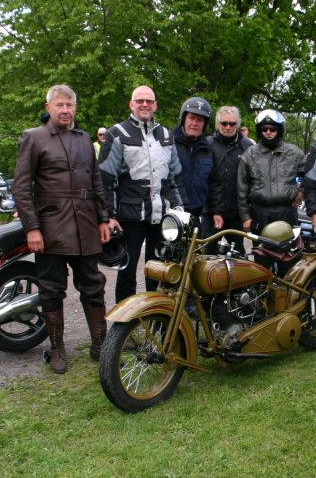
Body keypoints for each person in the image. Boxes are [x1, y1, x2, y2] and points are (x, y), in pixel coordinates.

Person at [13, 85, 111, 374]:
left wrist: (103, 218)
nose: (65, 110)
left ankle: (101, 344)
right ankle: (56, 348)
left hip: (86, 226)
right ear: (48, 107)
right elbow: (21, 187)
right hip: (51, 228)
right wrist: (32, 228)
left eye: (70, 105)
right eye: (60, 105)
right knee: (51, 291)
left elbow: (96, 182)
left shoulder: (84, 139)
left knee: (93, 286)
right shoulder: (34, 137)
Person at [98, 85, 184, 302]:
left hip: (160, 216)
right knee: (127, 272)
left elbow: (174, 178)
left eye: (149, 101)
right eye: (140, 101)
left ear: (155, 105)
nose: (144, 104)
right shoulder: (116, 133)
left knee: (159, 270)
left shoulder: (166, 135)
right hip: (130, 216)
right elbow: (105, 179)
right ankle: (123, 320)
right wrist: (108, 216)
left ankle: (157, 316)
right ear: (131, 104)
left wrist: (179, 209)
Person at [237, 109, 305, 263]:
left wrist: (301, 192)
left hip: (287, 214)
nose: (268, 132)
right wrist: (245, 217)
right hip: (260, 215)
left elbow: (309, 174)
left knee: (289, 261)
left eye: (272, 129)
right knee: (262, 262)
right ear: (259, 131)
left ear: (279, 130)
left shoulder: (294, 153)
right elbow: (241, 189)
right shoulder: (249, 155)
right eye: (264, 129)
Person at [203, 106, 253, 253]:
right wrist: (214, 210)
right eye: (224, 123)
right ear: (218, 124)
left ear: (237, 124)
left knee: (238, 255)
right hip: (211, 212)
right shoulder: (207, 144)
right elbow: (203, 179)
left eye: (232, 124)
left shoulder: (247, 146)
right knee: (205, 254)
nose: (228, 127)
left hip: (236, 213)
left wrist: (248, 213)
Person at [173, 97, 213, 219]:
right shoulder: (168, 144)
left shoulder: (209, 149)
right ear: (183, 119)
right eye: (191, 118)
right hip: (173, 212)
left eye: (200, 120)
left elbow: (213, 184)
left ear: (205, 124)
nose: (195, 123)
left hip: (199, 215)